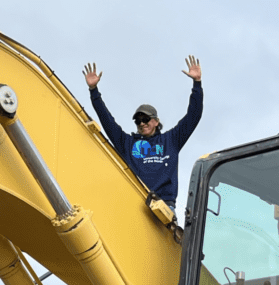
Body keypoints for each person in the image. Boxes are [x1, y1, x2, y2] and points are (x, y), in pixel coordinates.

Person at [83, 57, 203, 211]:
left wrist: (197, 84)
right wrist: (94, 91)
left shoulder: (171, 140)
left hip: (164, 206)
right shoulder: (127, 143)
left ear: (156, 121)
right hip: (135, 205)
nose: (142, 123)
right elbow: (107, 121)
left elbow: (194, 115)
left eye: (145, 119)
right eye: (138, 121)